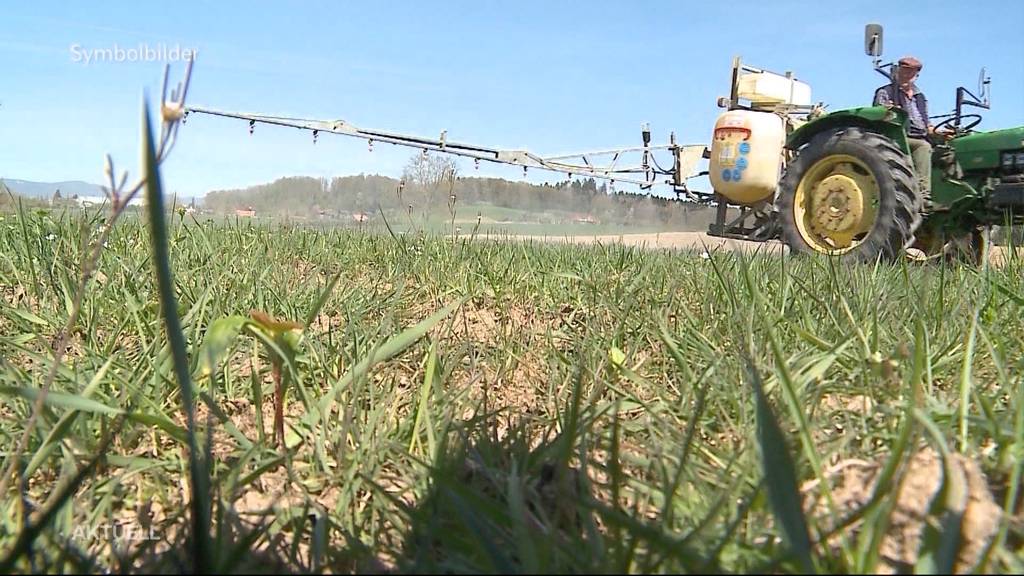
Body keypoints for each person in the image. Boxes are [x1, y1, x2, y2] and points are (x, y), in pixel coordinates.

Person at [873, 56, 948, 194]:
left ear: (917, 75)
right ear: (898, 72)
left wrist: (939, 132)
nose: (908, 75)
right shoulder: (886, 92)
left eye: (912, 72)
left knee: (950, 147)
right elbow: (881, 117)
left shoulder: (920, 97)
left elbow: (926, 124)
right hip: (898, 136)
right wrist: (890, 111)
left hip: (921, 135)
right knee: (923, 147)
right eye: (905, 71)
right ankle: (922, 194)